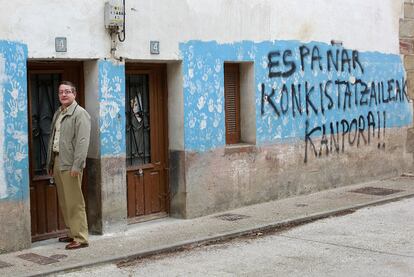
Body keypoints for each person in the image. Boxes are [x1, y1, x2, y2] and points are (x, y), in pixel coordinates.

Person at [46, 81, 91, 250]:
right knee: (65, 201)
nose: (63, 95)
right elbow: (53, 139)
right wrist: (50, 162)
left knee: (75, 201)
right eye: (61, 92)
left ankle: (81, 238)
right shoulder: (59, 113)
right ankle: (72, 232)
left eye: (67, 92)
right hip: (59, 160)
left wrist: (77, 165)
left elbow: (82, 142)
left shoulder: (80, 114)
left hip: (72, 163)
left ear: (74, 94)